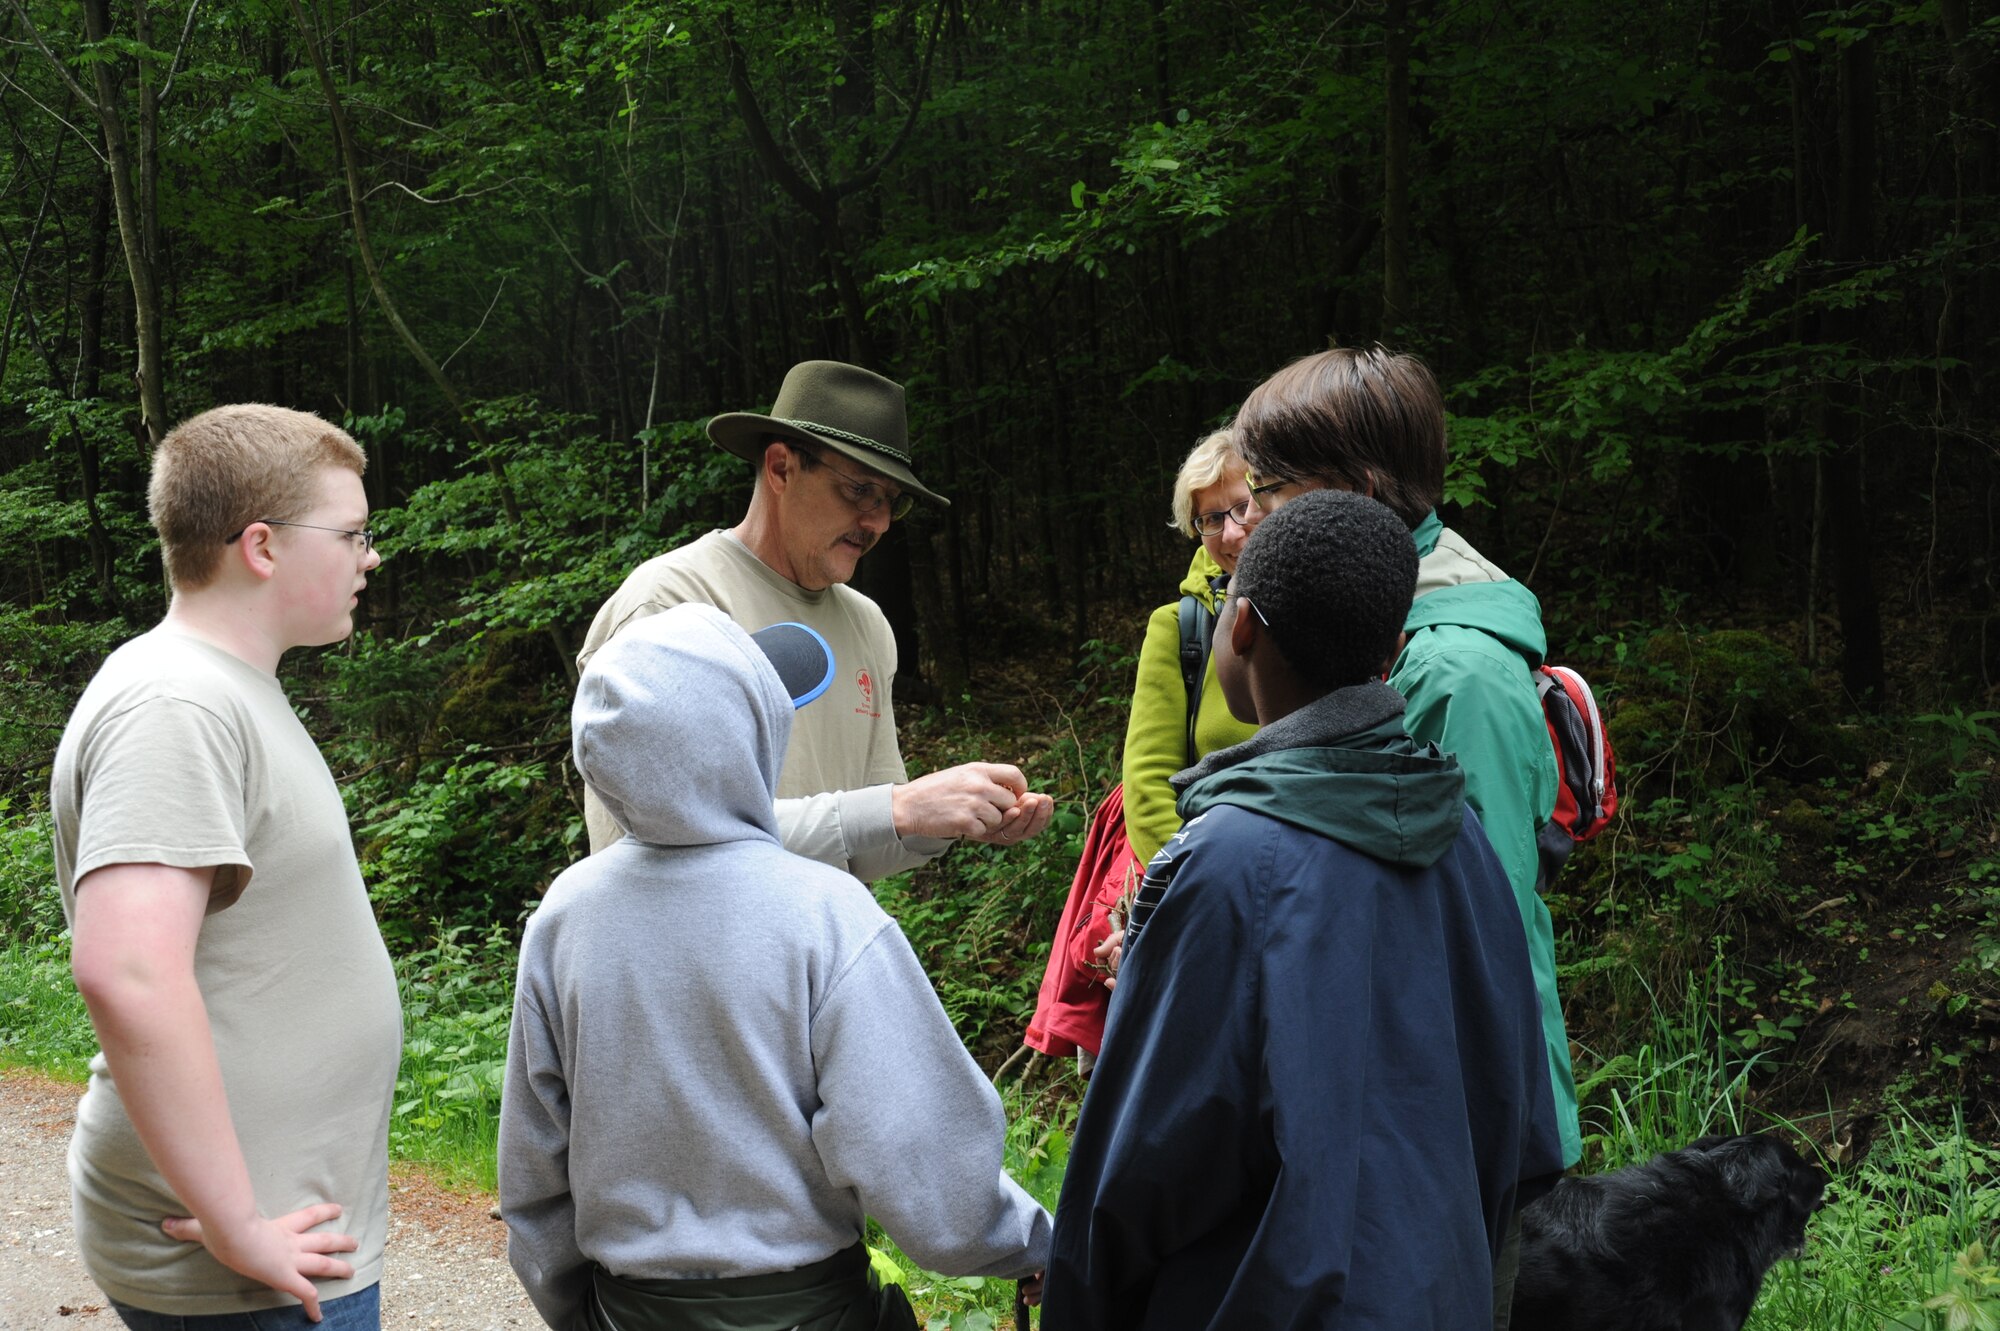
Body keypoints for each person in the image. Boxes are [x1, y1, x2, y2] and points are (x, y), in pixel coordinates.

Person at [1041, 491, 1565, 1330]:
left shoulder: (1224, 865)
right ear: (1393, 648)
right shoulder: (1461, 832)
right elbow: (1520, 1119)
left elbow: (1138, 1172)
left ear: (1239, 627)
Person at [501, 603, 1051, 1331]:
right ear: (749, 735)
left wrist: (581, 1312)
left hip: (623, 1311)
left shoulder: (565, 916)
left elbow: (535, 1176)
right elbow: (929, 1170)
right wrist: (1038, 1245)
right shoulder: (825, 913)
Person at [1230, 345, 1583, 1324]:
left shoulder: (1452, 665)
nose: (1247, 510)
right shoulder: (1374, 624)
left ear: (1353, 485)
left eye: (1268, 486)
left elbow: (1480, 932)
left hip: (1459, 1111)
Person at [49, 405, 399, 1328]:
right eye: (354, 532)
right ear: (262, 546)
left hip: (285, 1242)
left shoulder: (230, 689)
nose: (371, 555)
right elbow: (126, 971)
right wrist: (236, 1221)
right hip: (247, 1272)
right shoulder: (177, 703)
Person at [577, 359, 1052, 876]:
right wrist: (898, 807)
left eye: (891, 502)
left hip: (817, 950)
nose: (878, 522)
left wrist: (946, 819)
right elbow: (662, 840)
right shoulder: (673, 602)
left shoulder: (867, 623)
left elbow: (862, 848)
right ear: (781, 467)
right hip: (689, 956)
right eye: (858, 490)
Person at [1022, 429, 1258, 1065]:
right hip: (1193, 888)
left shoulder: (1316, 607)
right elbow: (1149, 785)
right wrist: (1178, 900)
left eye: (1241, 506)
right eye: (1210, 518)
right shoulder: (1181, 626)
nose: (1230, 532)